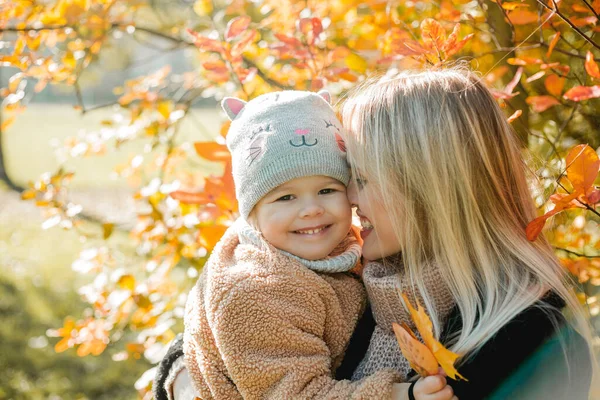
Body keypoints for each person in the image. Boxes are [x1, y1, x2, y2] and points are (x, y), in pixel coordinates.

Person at [154, 90, 455, 400]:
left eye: (327, 190)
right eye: (285, 197)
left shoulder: (341, 246)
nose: (311, 209)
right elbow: (295, 395)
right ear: (252, 215)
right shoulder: (256, 292)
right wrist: (397, 395)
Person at [340, 67, 595, 399]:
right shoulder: (349, 303)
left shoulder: (534, 346)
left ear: (431, 188)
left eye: (362, 179)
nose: (348, 198)